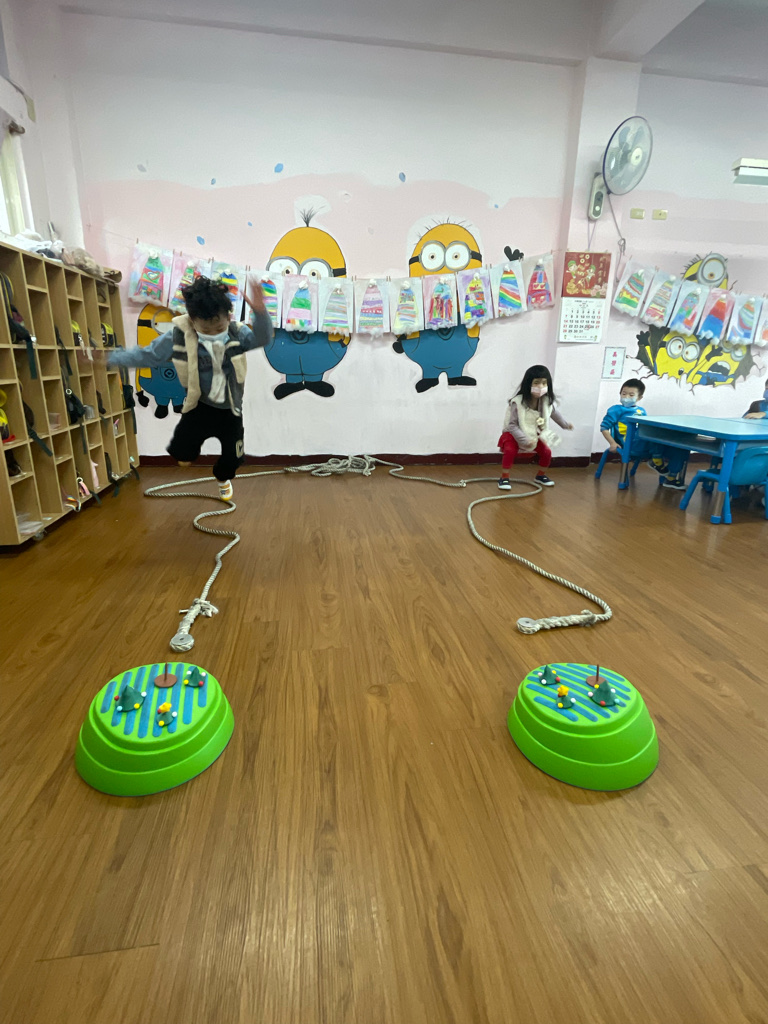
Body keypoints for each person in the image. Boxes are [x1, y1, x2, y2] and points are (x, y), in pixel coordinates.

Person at [106, 276, 272, 500]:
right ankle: (186, 453)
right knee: (182, 454)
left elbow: (262, 338)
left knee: (233, 459)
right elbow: (148, 356)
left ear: (229, 317)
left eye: (219, 328)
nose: (213, 334)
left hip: (231, 409)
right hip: (199, 406)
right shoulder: (179, 334)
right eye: (206, 330)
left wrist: (260, 312)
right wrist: (109, 358)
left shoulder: (236, 332)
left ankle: (223, 477)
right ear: (192, 320)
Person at [600, 378, 687, 489]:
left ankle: (670, 478)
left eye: (631, 395)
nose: (626, 397)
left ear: (639, 397)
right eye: (624, 394)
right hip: (630, 443)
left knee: (679, 449)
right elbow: (604, 427)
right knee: (654, 433)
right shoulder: (616, 409)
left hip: (646, 444)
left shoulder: (641, 411)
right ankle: (656, 460)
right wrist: (612, 443)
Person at [498, 365, 573, 490]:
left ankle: (540, 475)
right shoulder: (518, 402)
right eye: (536, 383)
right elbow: (512, 425)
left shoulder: (546, 401)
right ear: (529, 384)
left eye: (544, 383)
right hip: (513, 434)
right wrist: (524, 440)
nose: (540, 386)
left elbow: (554, 414)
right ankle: (504, 477)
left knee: (547, 452)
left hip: (533, 433)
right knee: (510, 450)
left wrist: (565, 425)